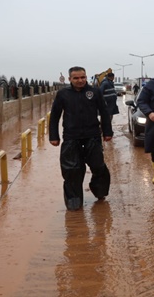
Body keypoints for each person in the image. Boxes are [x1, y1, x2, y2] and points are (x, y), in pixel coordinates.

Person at [49, 66, 113, 211]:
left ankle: (99, 190)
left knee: (98, 165)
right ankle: (74, 199)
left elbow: (104, 112)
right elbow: (54, 116)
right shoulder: (63, 94)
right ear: (70, 79)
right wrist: (54, 136)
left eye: (83, 77)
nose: (80, 80)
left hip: (93, 135)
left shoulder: (95, 92)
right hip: (71, 137)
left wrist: (107, 132)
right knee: (72, 170)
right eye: (76, 78)